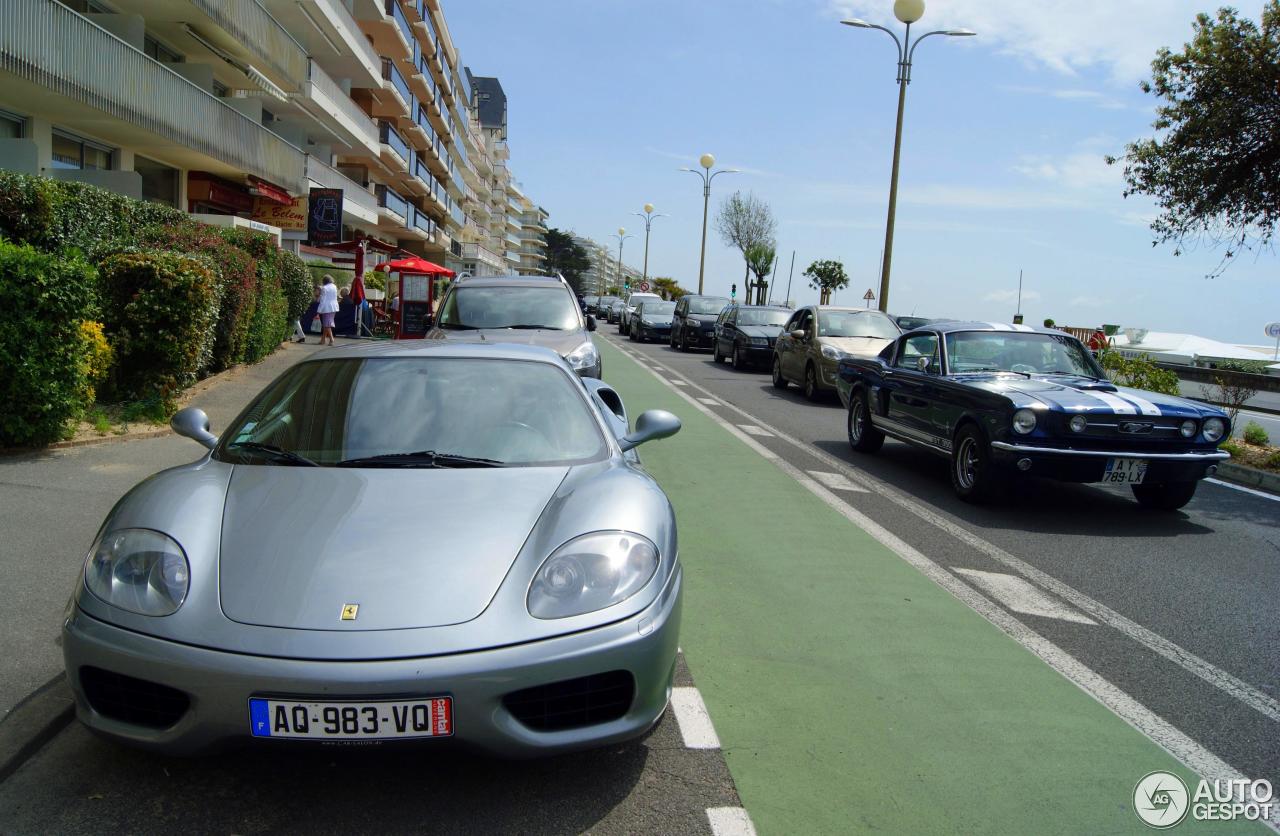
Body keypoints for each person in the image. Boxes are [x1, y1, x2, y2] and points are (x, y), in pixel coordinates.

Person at [317, 275, 339, 346]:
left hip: (326, 307)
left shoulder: (324, 288)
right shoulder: (334, 286)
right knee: (327, 324)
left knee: (327, 324)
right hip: (334, 307)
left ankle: (331, 339)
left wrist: (319, 310)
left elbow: (322, 300)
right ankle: (323, 340)